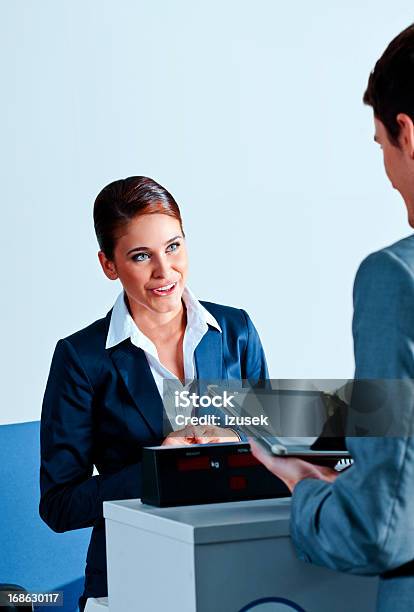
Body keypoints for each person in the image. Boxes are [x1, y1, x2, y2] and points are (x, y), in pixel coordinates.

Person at [39, 176, 268, 610]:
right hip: (131, 581)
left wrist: (237, 443)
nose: (165, 272)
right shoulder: (81, 358)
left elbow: (276, 453)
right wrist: (158, 469)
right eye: (141, 256)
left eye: (174, 247)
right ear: (109, 265)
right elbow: (59, 505)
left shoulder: (236, 331)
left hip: (240, 571)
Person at [250, 24, 414, 612]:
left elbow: (379, 527)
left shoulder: (395, 277)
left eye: (380, 146)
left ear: (408, 134)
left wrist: (309, 496)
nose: (389, 173)